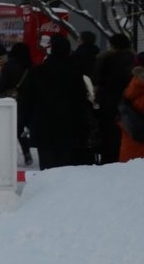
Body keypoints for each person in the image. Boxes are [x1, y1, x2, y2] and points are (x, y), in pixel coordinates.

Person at [18, 36, 96, 169]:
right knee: (66, 165)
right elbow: (81, 100)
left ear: (52, 50)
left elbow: (27, 100)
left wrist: (25, 122)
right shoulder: (75, 73)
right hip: (70, 125)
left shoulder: (38, 71)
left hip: (43, 124)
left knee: (47, 164)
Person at [92, 37, 137, 163]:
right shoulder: (134, 59)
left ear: (113, 46)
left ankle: (108, 157)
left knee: (108, 130)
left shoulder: (104, 59)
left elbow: (96, 78)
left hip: (107, 99)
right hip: (128, 98)